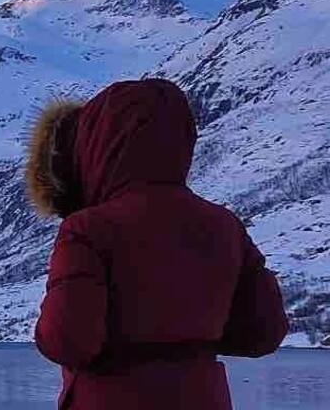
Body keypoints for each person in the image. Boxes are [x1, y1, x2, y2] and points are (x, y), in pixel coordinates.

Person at [23, 78, 288, 409]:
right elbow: (264, 331)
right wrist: (189, 345)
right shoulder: (225, 226)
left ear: (96, 147)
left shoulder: (88, 229)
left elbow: (69, 340)